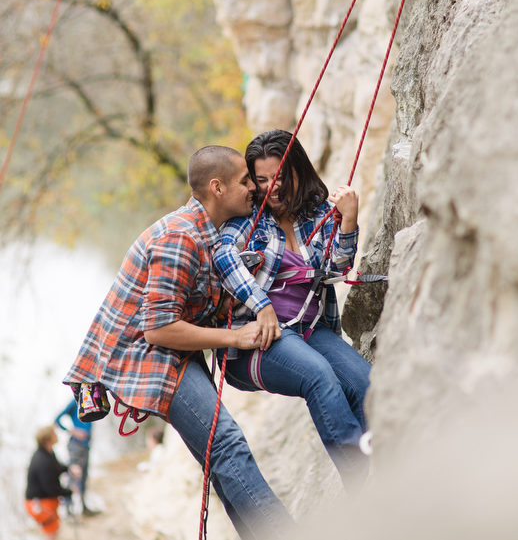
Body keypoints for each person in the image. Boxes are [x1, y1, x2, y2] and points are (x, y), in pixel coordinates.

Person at [63, 146, 292, 540]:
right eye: (244, 182)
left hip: (174, 348)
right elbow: (158, 329)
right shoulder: (179, 238)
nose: (254, 189)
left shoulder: (209, 230)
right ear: (217, 188)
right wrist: (235, 336)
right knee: (226, 445)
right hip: (148, 353)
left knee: (220, 455)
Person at [214, 129, 371, 487]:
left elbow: (335, 268)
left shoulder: (315, 214)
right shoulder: (247, 220)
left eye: (281, 177)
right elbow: (223, 256)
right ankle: (362, 481)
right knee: (320, 376)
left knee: (366, 385)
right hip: (256, 342)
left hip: (311, 329)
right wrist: (262, 305)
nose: (274, 189)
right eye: (263, 180)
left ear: (298, 170)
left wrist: (348, 219)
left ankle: (381, 466)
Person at [25, 426, 73, 540]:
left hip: (48, 500)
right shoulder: (42, 460)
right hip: (39, 503)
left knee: (54, 531)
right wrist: (69, 491)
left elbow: (56, 467)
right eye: (54, 434)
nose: (57, 435)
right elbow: (51, 489)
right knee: (50, 535)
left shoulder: (48, 452)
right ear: (48, 439)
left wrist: (69, 469)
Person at [55, 399, 96, 515]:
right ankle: (68, 510)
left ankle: (83, 507)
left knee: (84, 477)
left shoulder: (91, 398)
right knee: (73, 476)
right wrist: (73, 431)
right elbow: (57, 420)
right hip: (75, 445)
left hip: (86, 445)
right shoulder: (75, 401)